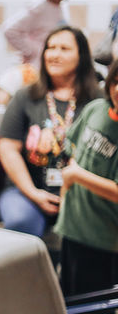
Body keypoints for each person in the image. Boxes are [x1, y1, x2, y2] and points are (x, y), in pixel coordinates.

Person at [0, 26, 101, 237]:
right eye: (50, 47)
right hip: (25, 192)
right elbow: (7, 147)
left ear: (81, 56)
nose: (54, 54)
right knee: (21, 220)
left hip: (82, 194)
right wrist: (33, 193)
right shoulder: (26, 97)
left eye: (64, 48)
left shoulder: (97, 101)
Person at [55, 58, 118, 296]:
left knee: (94, 310)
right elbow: (72, 149)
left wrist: (77, 175)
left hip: (102, 237)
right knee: (67, 297)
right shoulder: (95, 109)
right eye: (116, 81)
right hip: (73, 225)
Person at [3, 0, 68, 66]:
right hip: (38, 66)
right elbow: (10, 30)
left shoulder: (60, 6)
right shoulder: (38, 9)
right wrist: (33, 51)